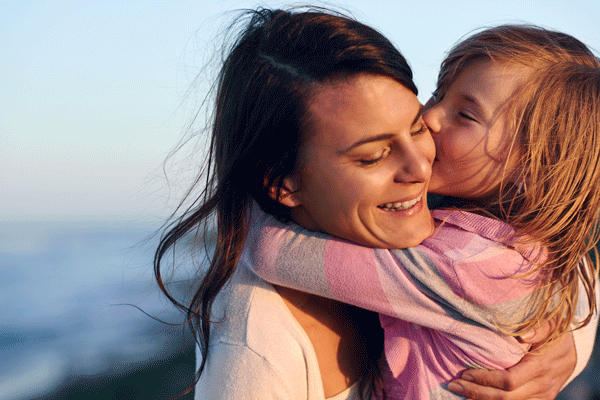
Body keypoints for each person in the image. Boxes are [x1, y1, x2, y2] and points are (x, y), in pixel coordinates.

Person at [153, 8, 590, 400]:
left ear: (536, 166)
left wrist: (566, 348)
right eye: (372, 155)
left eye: (415, 126)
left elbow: (270, 251)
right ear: (281, 182)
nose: (429, 131)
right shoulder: (256, 347)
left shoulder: (465, 257)